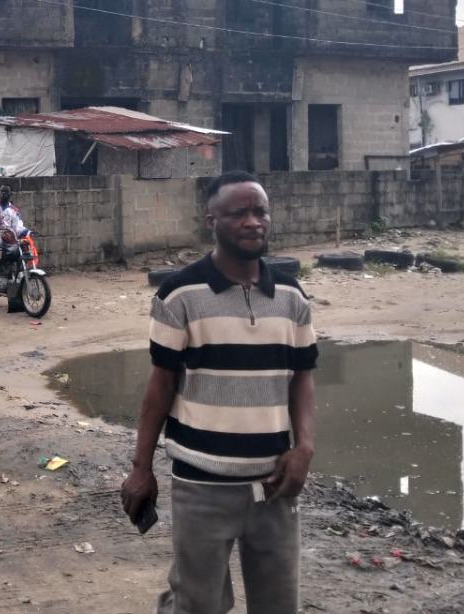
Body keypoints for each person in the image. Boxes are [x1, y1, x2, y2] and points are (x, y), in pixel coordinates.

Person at [120, 171, 317, 614]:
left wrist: (304, 448)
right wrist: (141, 468)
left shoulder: (291, 295)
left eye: (260, 211)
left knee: (280, 604)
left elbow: (302, 376)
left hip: (275, 485)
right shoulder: (180, 295)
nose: (253, 222)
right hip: (201, 485)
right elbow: (160, 387)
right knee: (198, 604)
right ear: (212, 220)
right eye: (239, 213)